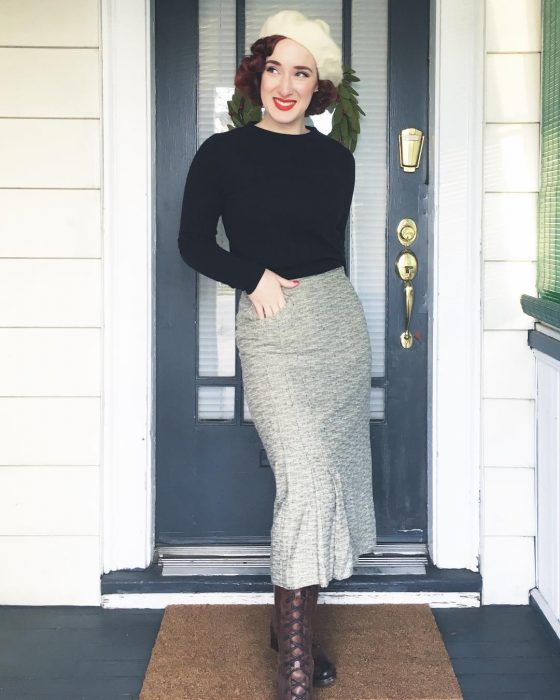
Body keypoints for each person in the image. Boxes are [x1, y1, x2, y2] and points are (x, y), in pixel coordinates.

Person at [178, 9, 377, 699]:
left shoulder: (337, 160)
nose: (286, 85)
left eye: (302, 73)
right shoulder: (221, 154)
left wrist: (299, 284)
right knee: (306, 479)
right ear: (255, 74)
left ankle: (289, 631)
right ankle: (294, 666)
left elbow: (327, 250)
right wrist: (252, 276)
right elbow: (193, 244)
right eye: (274, 69)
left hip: (336, 325)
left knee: (328, 478)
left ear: (319, 87)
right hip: (271, 323)